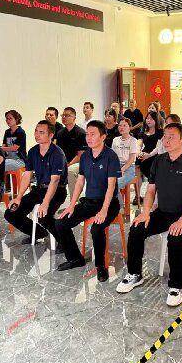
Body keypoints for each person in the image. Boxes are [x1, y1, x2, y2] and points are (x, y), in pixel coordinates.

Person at [116, 123, 182, 307]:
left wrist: (181, 221)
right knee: (136, 228)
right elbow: (150, 191)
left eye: (172, 137)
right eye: (165, 136)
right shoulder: (159, 161)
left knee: (175, 238)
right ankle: (135, 273)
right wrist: (145, 212)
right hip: (163, 212)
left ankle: (175, 286)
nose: (167, 140)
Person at [52, 120, 121, 282]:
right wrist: (71, 205)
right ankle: (75, 258)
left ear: (103, 137)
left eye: (93, 134)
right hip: (89, 202)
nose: (88, 138)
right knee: (61, 223)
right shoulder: (85, 156)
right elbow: (80, 182)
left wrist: (104, 210)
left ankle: (101, 266)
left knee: (96, 230)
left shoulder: (111, 156)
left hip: (109, 203)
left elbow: (111, 186)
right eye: (87, 134)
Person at [4, 120, 68, 250]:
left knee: (44, 216)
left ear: (51, 135)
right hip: (39, 190)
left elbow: (55, 181)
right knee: (11, 213)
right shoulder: (33, 151)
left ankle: (64, 240)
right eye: (36, 131)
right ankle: (39, 233)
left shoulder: (57, 153)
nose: (37, 135)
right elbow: (27, 175)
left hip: (57, 191)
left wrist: (45, 203)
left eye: (41, 132)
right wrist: (18, 197)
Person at [56, 107, 86, 197]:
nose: (64, 117)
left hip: (79, 162)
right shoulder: (60, 133)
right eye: (63, 115)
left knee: (70, 171)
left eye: (67, 115)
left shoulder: (81, 133)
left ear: (74, 118)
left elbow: (80, 156)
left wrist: (68, 165)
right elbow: (59, 153)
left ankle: (75, 200)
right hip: (65, 162)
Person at [111, 118, 138, 210]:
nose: (121, 127)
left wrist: (122, 169)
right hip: (116, 166)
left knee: (115, 184)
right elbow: (112, 156)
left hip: (129, 168)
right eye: (120, 125)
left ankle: (120, 208)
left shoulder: (133, 140)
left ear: (130, 127)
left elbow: (131, 158)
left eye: (124, 125)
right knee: (105, 182)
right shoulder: (115, 140)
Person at [135, 111, 164, 197]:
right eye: (147, 118)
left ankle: (153, 194)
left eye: (151, 119)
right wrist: (138, 152)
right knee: (137, 162)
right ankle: (137, 195)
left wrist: (149, 155)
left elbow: (158, 147)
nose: (148, 120)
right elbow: (139, 144)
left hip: (155, 154)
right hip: (145, 153)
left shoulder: (160, 132)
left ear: (156, 120)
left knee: (152, 170)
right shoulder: (143, 131)